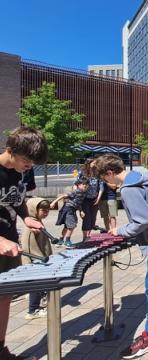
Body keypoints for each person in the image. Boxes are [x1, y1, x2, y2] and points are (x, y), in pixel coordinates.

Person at [93, 154, 148, 359]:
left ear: (110, 173)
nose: (107, 184)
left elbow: (143, 220)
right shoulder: (139, 174)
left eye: (105, 180)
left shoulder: (128, 188)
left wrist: (120, 231)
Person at [0, 126, 47, 360]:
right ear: (10, 150)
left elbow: (15, 198)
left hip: (9, 241)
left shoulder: (21, 171)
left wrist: (25, 216)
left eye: (32, 164)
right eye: (26, 161)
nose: (29, 167)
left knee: (4, 297)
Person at [20, 198, 51, 320]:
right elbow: (28, 248)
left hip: (41, 260)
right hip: (36, 261)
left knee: (39, 286)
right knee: (36, 285)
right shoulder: (31, 227)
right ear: (33, 210)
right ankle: (33, 310)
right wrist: (40, 259)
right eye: (43, 210)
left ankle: (41, 301)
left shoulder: (37, 221)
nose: (46, 213)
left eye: (48, 210)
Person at [50, 177, 89, 249]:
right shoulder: (76, 191)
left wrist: (81, 211)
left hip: (72, 209)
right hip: (68, 209)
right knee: (72, 225)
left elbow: (78, 203)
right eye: (83, 184)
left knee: (67, 226)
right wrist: (53, 202)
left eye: (86, 184)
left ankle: (60, 241)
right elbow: (63, 196)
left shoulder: (83, 193)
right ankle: (67, 242)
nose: (85, 186)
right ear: (78, 185)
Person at [78, 159, 104, 239]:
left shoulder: (97, 173)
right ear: (89, 163)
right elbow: (77, 184)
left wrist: (98, 199)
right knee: (87, 218)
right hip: (85, 199)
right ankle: (85, 237)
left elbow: (101, 187)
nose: (95, 164)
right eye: (94, 162)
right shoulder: (82, 173)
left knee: (93, 218)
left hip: (94, 199)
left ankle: (89, 235)